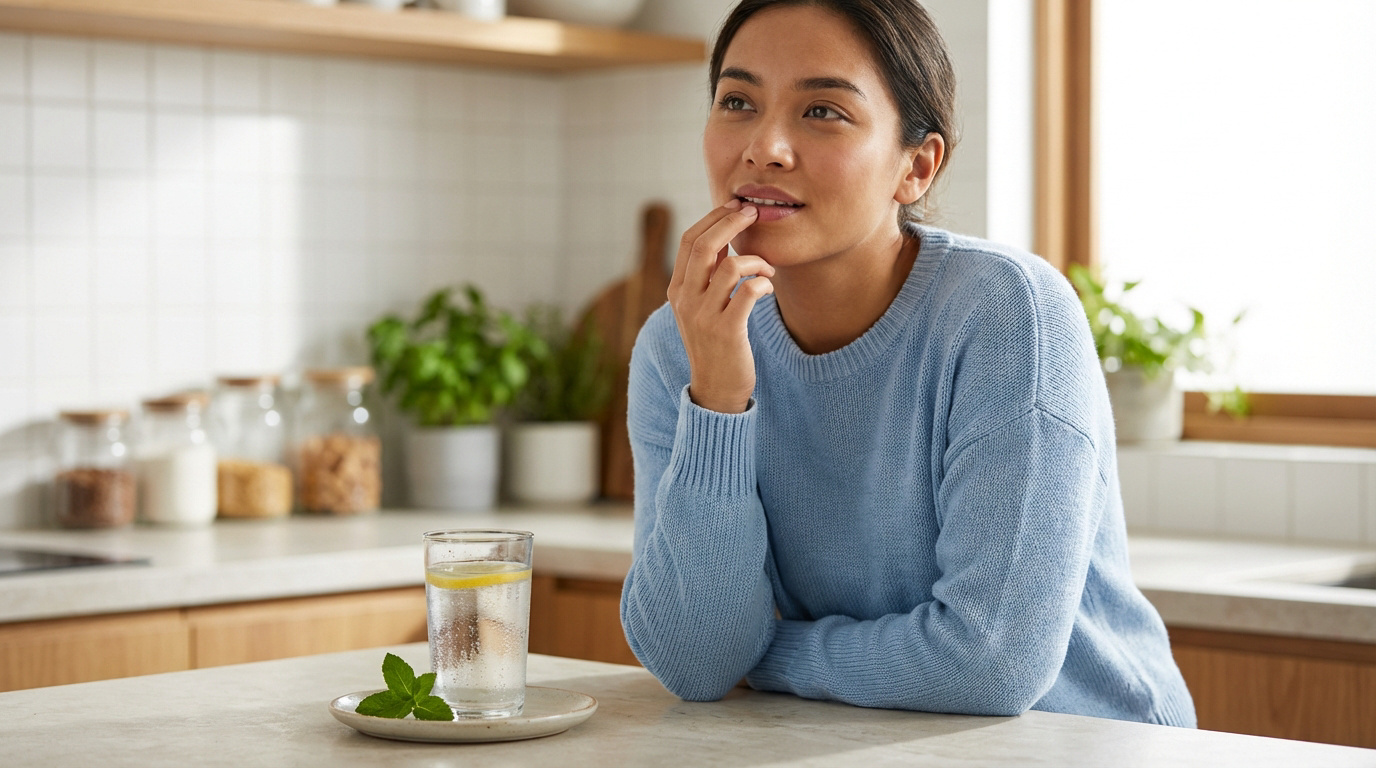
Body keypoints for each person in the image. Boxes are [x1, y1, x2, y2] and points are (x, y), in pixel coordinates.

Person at [618, 0, 1197, 726]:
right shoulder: (681, 344)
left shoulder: (1005, 315)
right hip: (857, 740)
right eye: (737, 101)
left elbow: (990, 663)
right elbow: (697, 666)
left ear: (916, 167)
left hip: (1085, 742)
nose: (764, 146)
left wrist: (765, 656)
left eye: (822, 111)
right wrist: (718, 400)